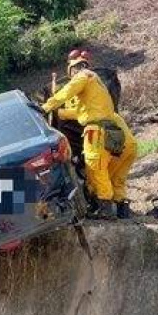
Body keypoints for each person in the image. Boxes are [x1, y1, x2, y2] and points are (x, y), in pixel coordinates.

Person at [42, 49, 121, 219]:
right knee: (96, 168)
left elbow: (67, 92)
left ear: (73, 69)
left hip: (96, 131)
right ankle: (102, 206)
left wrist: (46, 106)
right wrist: (60, 113)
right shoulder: (96, 82)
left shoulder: (83, 76)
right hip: (107, 129)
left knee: (95, 167)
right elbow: (80, 111)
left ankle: (106, 208)